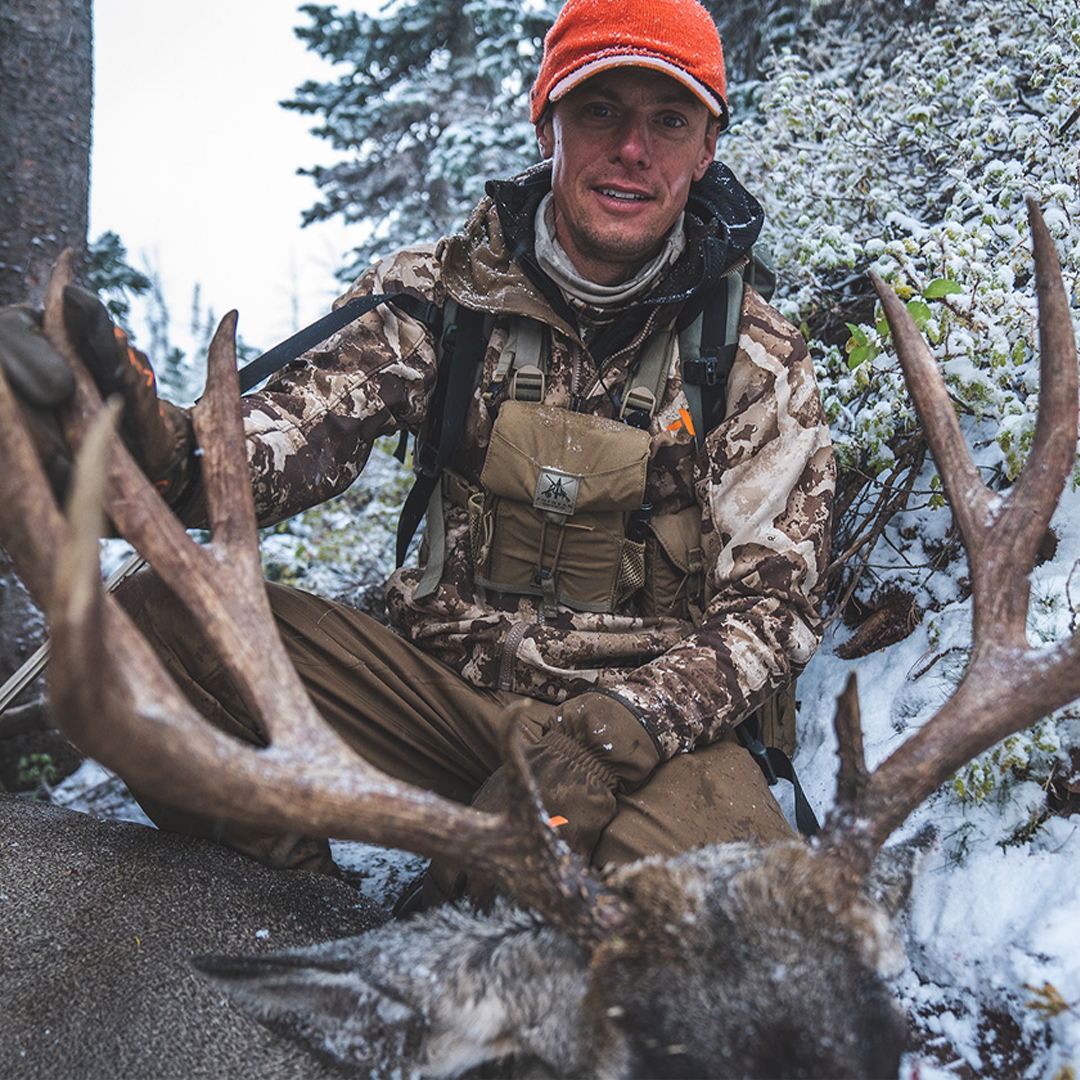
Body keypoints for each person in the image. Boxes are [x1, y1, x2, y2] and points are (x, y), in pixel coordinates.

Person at [0, 0, 834, 900]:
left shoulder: (752, 358)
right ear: (546, 123)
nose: (633, 149)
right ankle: (294, 914)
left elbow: (773, 607)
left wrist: (615, 734)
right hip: (439, 693)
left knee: (744, 923)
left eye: (669, 121)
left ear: (706, 149)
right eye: (601, 111)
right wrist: (164, 452)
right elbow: (291, 433)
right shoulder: (435, 295)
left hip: (643, 737)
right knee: (143, 626)